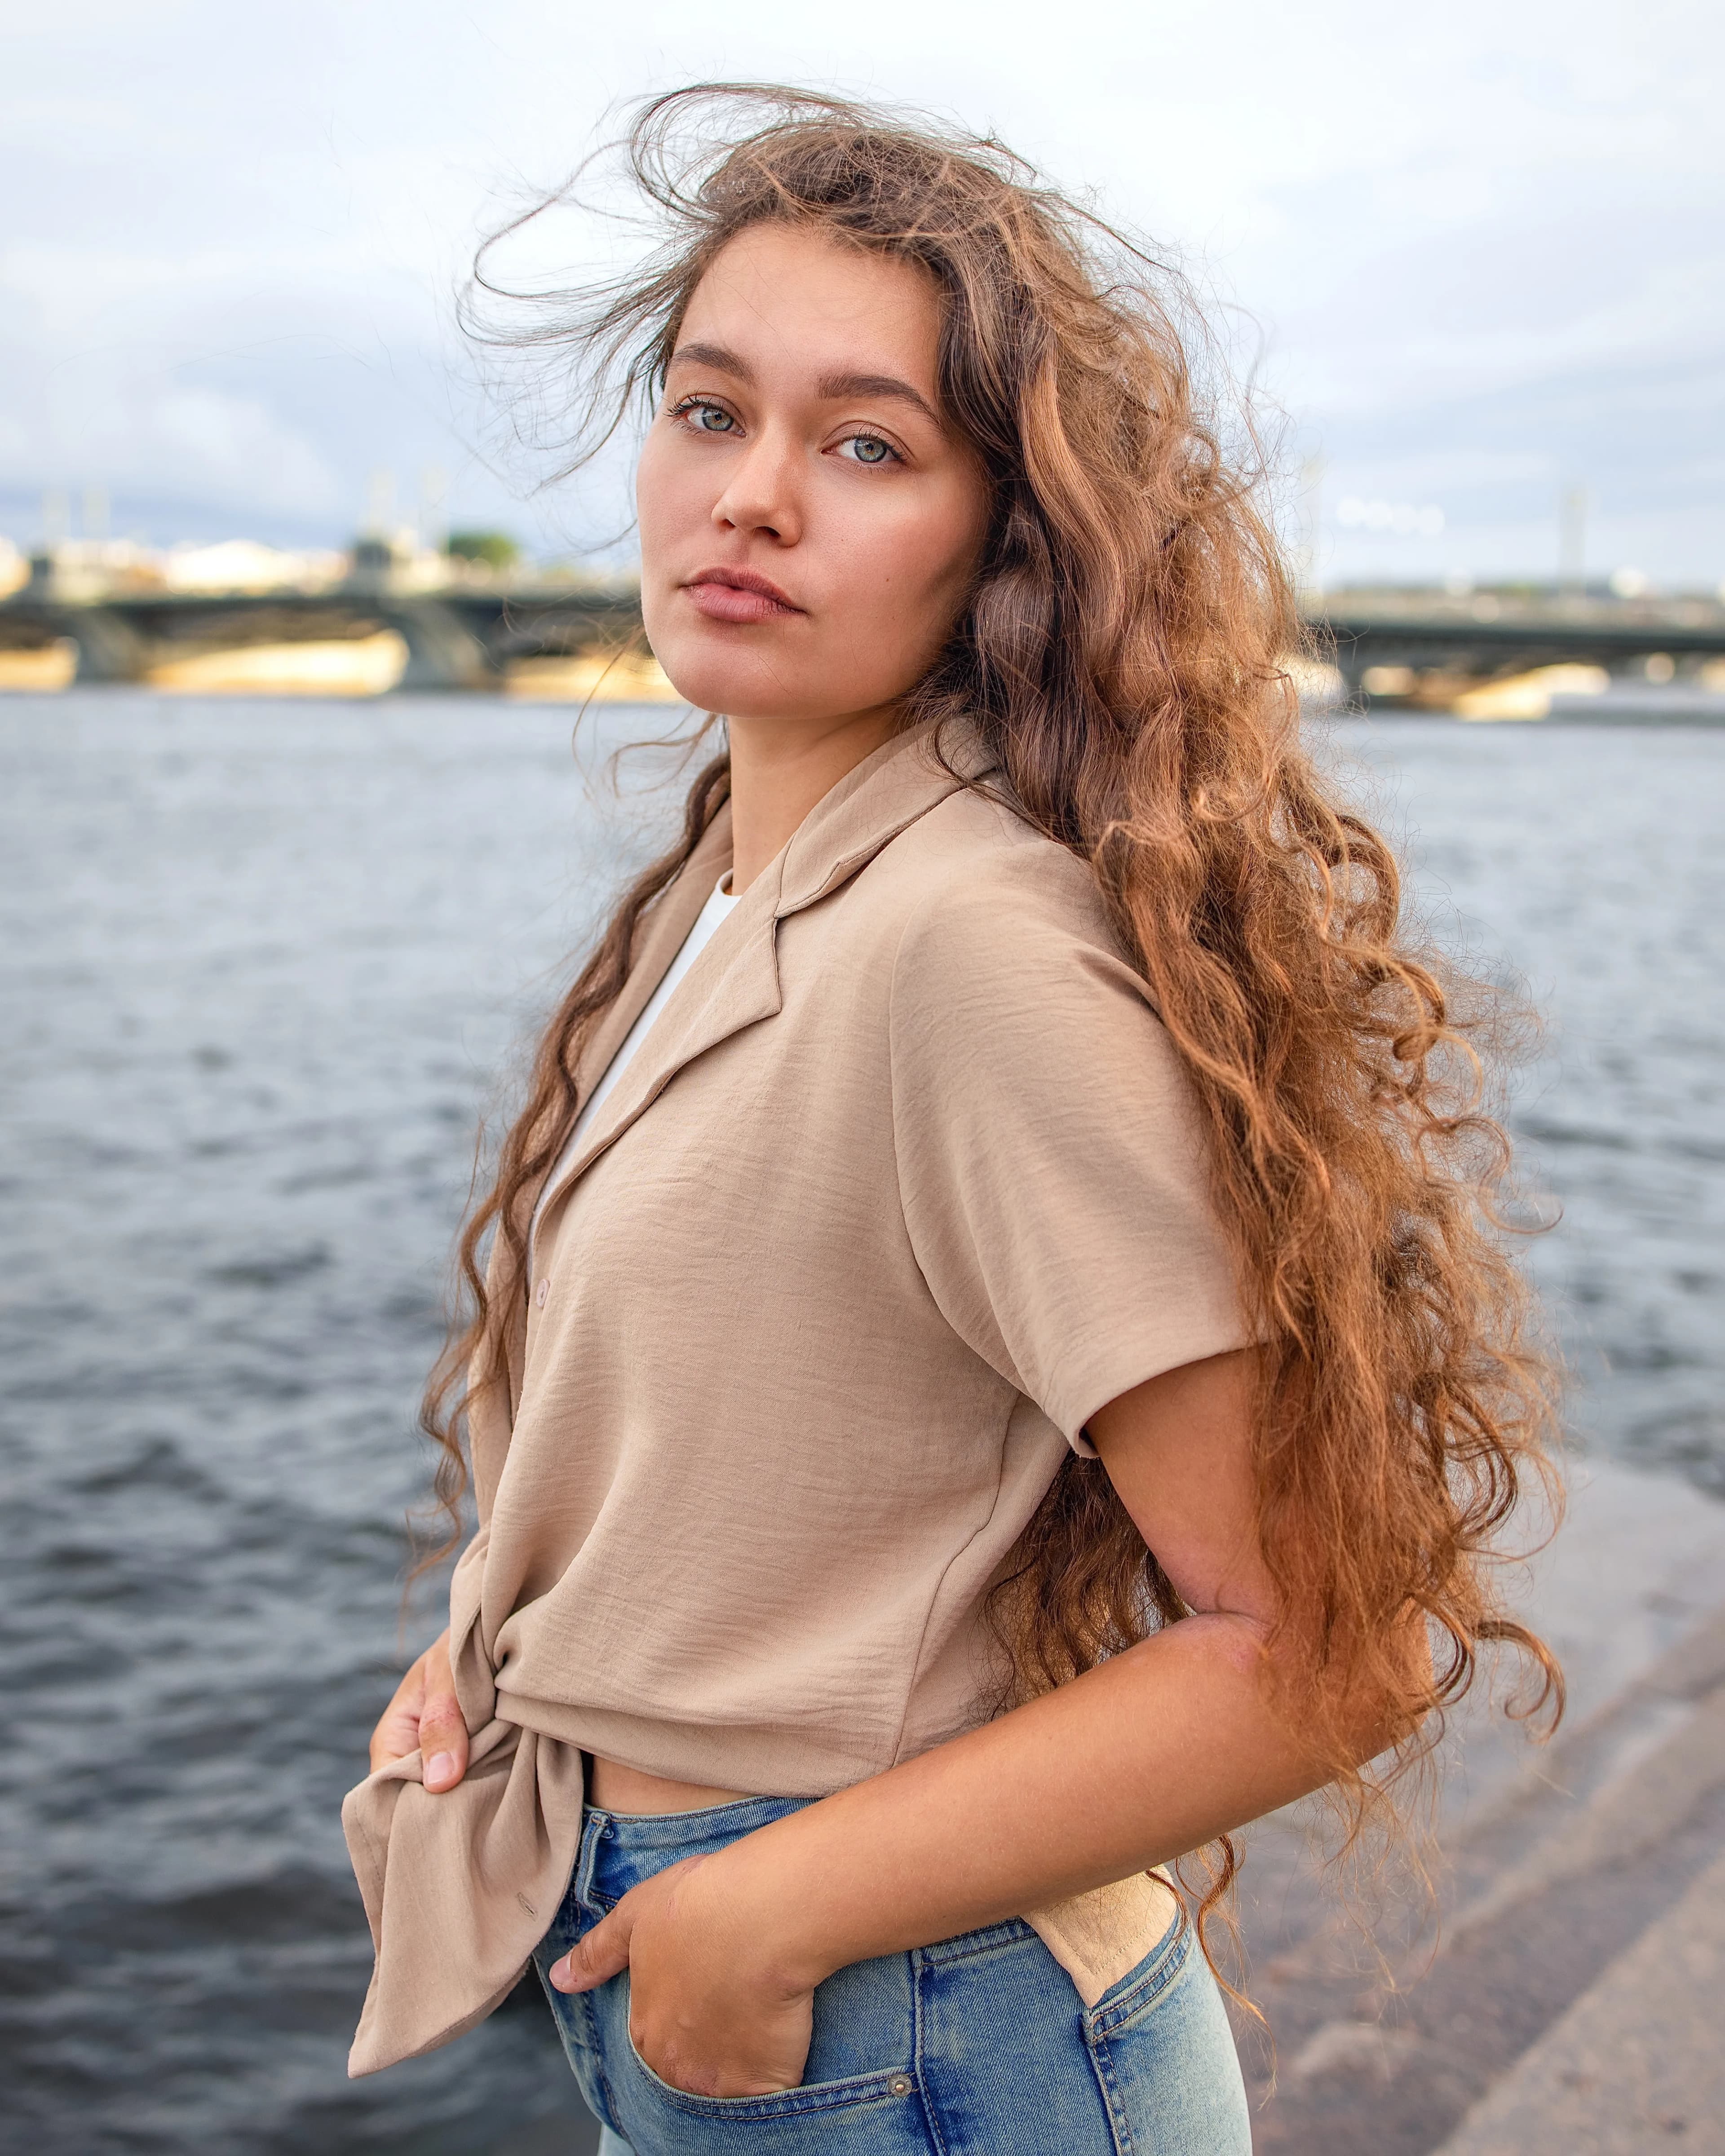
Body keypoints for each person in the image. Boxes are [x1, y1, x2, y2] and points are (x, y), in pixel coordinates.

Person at [346, 87, 1560, 2156]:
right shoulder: (736, 893)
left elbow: (1333, 1643)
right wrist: (508, 1647)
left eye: (867, 446)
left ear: (1001, 541)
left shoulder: (969, 949)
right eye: (709, 411)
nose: (750, 498)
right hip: (792, 1980)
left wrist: (763, 1912)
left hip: (912, 2026)